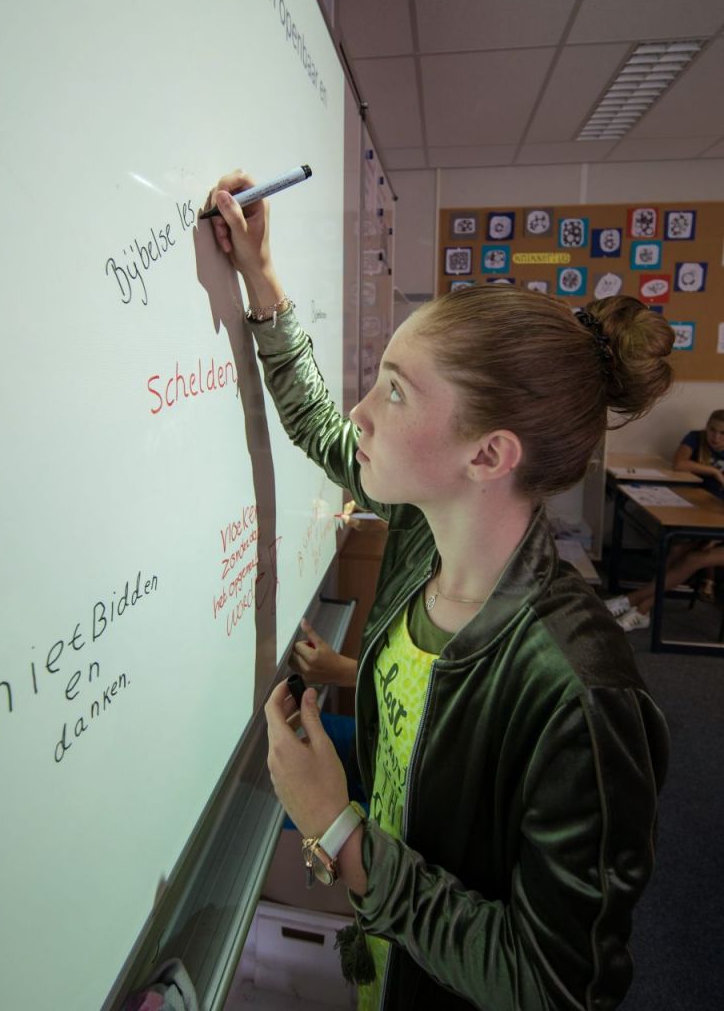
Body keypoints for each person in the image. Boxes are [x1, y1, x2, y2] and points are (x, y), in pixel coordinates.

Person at [209, 171, 674, 1011]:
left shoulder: (582, 692)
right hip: (388, 969)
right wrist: (261, 278)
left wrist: (339, 832)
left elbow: (554, 984)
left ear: (489, 457)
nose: (363, 408)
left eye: (394, 389)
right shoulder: (427, 529)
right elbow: (321, 424)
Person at [606, 409, 724, 631]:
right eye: (713, 431)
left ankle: (634, 603)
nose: (716, 437)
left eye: (722, 433)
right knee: (678, 550)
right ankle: (640, 609)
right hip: (707, 518)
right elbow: (679, 464)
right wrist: (715, 473)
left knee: (691, 557)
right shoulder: (697, 439)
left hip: (716, 526)